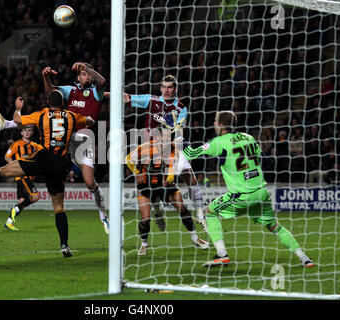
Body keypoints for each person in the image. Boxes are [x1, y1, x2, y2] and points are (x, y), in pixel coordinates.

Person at [0, 91, 95, 258]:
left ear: (48, 102)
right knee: (59, 207)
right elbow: (89, 121)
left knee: (3, 172)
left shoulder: (43, 114)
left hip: (43, 157)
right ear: (62, 103)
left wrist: (18, 109)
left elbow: (19, 120)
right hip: (60, 163)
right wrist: (87, 119)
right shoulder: (71, 116)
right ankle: (64, 245)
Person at [183, 110, 314, 267]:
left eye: (216, 121)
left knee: (210, 212)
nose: (214, 124)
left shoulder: (219, 141)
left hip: (242, 195)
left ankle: (222, 254)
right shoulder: (249, 137)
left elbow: (190, 154)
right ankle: (304, 258)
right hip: (261, 192)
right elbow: (260, 158)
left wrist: (180, 140)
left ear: (222, 125)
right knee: (274, 226)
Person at [0, 62, 110, 235]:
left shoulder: (96, 92)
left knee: (90, 182)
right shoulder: (70, 90)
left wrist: (86, 67)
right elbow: (51, 93)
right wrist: (46, 76)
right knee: (42, 119)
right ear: (78, 77)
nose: (87, 76)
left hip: (83, 139)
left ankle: (103, 215)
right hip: (65, 134)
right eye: (84, 74)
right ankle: (7, 124)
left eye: (88, 74)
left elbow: (102, 81)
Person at [104, 75, 208, 232]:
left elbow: (180, 130)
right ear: (160, 88)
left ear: (175, 89)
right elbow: (126, 97)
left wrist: (174, 142)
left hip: (170, 148)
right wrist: (104, 94)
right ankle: (158, 212)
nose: (166, 90)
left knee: (191, 179)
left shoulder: (181, 108)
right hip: (149, 150)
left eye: (170, 87)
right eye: (164, 87)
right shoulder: (150, 100)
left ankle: (200, 215)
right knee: (150, 185)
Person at [125, 127, 209, 256]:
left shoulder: (173, 151)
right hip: (146, 187)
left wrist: (169, 179)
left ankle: (195, 238)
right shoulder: (145, 147)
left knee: (182, 208)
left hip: (165, 185)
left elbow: (171, 169)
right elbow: (128, 159)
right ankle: (144, 244)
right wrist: (136, 173)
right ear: (157, 137)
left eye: (169, 138)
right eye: (164, 137)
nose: (166, 140)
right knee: (145, 218)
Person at [3, 125, 41, 231]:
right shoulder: (16, 144)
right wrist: (16, 166)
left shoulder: (35, 146)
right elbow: (7, 156)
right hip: (22, 176)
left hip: (28, 176)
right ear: (21, 133)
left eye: (29, 130)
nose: (27, 132)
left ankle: (9, 222)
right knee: (35, 197)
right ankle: (15, 209)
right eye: (25, 131)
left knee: (22, 200)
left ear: (32, 132)